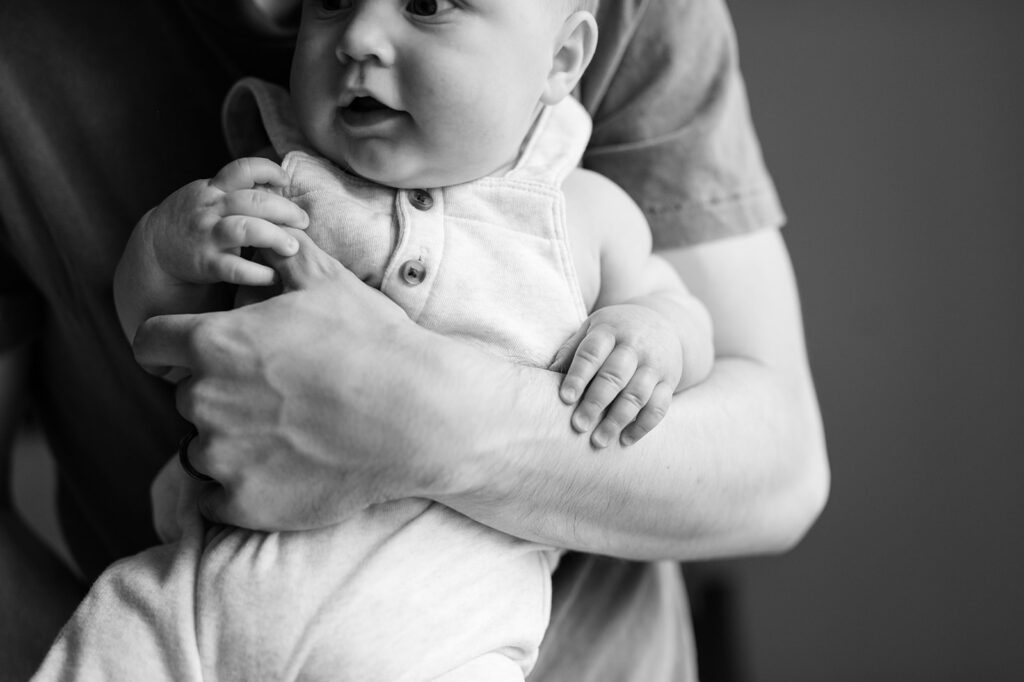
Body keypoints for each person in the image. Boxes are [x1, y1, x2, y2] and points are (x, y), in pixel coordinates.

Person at [0, 1, 829, 681]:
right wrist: (168, 247)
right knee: (110, 636)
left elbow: (692, 331)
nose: (357, 37)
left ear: (562, 60)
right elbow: (162, 336)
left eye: (428, 5)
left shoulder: (580, 213)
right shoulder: (283, 181)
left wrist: (646, 336)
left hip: (436, 630)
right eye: (328, 5)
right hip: (197, 598)